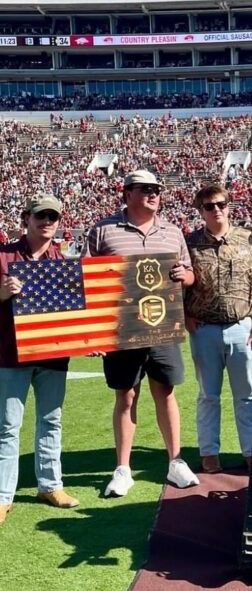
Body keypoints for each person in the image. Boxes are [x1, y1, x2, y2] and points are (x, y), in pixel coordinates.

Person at [87, 169, 199, 497]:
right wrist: (94, 332)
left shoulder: (172, 231)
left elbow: (190, 274)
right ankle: (122, 468)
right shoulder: (103, 230)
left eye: (157, 189)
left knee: (165, 391)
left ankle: (175, 461)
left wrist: (184, 275)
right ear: (128, 193)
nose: (154, 194)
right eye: (146, 189)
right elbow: (88, 282)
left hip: (161, 325)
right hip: (121, 329)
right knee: (126, 394)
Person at [0, 194, 79, 524]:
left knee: (51, 420)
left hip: (52, 356)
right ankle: (3, 495)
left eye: (53, 216)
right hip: (10, 354)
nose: (48, 221)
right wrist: (2, 292)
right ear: (26, 218)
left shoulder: (62, 260)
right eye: (41, 215)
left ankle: (50, 485)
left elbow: (74, 312)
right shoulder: (3, 257)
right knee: (7, 427)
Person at [185, 183, 252, 474]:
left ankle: (251, 452)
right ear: (200, 210)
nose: (217, 210)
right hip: (204, 329)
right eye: (209, 206)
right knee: (208, 395)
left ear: (229, 205)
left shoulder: (249, 238)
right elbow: (177, 285)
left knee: (245, 395)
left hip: (242, 327)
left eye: (221, 204)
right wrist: (185, 316)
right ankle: (209, 453)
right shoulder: (189, 242)